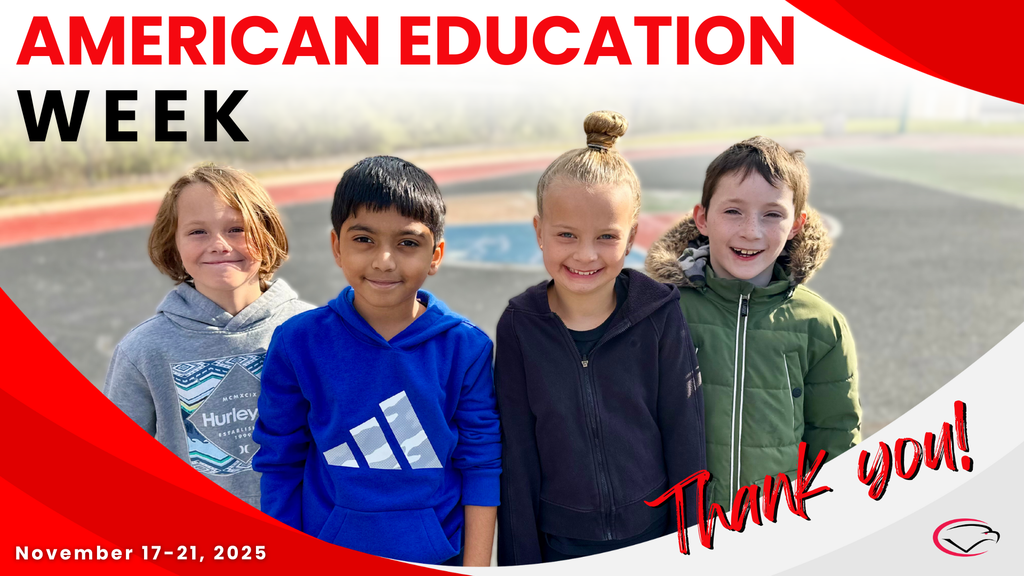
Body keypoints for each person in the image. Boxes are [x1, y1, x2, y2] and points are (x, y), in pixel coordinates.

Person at [252, 156, 501, 566]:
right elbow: (280, 463)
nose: (384, 260)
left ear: (436, 255)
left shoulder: (465, 348)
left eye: (407, 243)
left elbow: (481, 466)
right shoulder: (298, 342)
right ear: (337, 246)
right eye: (364, 239)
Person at [495, 111, 706, 565]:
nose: (585, 254)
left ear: (631, 238)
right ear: (539, 232)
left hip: (652, 541)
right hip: (561, 548)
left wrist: (692, 551)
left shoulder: (660, 315)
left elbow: (686, 441)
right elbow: (517, 460)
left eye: (606, 236)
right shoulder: (519, 326)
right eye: (566, 235)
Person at [645, 136, 862, 510]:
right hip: (682, 521)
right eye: (733, 211)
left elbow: (836, 437)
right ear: (702, 219)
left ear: (796, 225)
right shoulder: (663, 311)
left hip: (773, 523)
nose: (751, 231)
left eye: (772, 214)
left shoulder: (821, 326)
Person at [104, 163, 313, 509]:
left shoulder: (312, 331)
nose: (219, 244)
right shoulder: (144, 350)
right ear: (173, 244)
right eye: (197, 231)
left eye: (236, 229)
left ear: (267, 234)